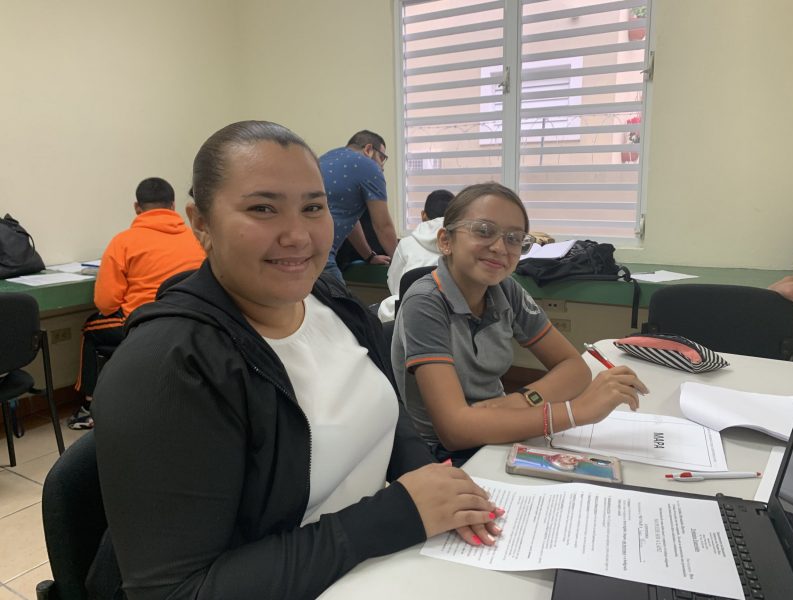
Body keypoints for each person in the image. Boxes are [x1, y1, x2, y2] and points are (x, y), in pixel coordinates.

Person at [89, 121, 502, 600]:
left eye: (313, 207)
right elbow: (175, 592)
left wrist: (426, 476)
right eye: (263, 208)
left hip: (367, 567)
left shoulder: (336, 304)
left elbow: (389, 420)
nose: (297, 235)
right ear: (201, 222)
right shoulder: (168, 366)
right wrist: (395, 516)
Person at [392, 182, 648, 465]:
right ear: (446, 241)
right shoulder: (425, 302)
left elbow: (574, 369)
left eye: (514, 238)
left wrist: (521, 401)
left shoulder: (506, 289)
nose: (500, 248)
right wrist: (577, 412)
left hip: (503, 426)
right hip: (446, 456)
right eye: (483, 230)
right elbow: (455, 430)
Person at [69, 177, 205, 429]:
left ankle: (89, 406)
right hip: (192, 324)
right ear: (173, 206)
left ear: (136, 207)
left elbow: (106, 303)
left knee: (90, 329)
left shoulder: (123, 242)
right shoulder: (195, 237)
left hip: (143, 325)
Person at [320, 130, 398, 282]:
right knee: (343, 304)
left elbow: (349, 218)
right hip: (321, 255)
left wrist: (369, 256)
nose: (382, 166)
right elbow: (383, 226)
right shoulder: (369, 166)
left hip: (298, 251)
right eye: (382, 157)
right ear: (368, 149)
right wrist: (401, 263)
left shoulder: (325, 158)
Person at [377, 189, 455, 322]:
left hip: (410, 315)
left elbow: (396, 285)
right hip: (452, 316)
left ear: (423, 215)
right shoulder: (462, 243)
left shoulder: (407, 243)